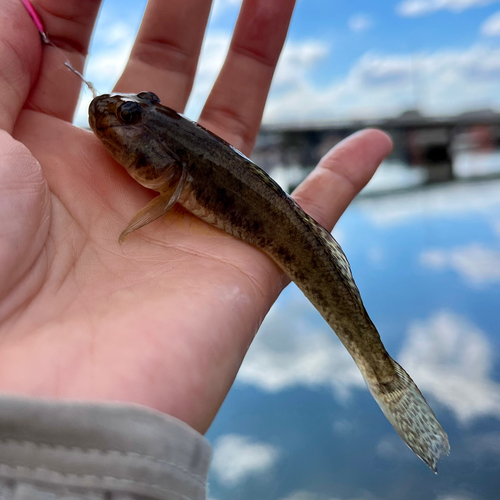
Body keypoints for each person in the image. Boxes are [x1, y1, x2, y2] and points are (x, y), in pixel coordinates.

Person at [0, 0, 392, 498]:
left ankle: (382, 375)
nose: (111, 116)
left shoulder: (170, 165)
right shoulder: (166, 165)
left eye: (132, 114)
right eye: (129, 114)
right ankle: (383, 374)